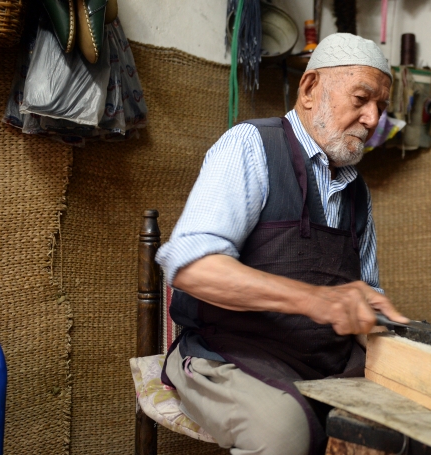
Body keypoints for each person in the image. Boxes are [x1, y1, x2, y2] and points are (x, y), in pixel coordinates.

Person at [155, 33, 408, 455]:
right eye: (362, 99)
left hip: (326, 361)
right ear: (310, 89)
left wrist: (412, 349)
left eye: (380, 107)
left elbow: (366, 300)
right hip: (227, 354)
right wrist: (315, 300)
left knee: (412, 419)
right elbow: (191, 267)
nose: (372, 118)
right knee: (284, 431)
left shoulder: (356, 191)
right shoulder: (251, 145)